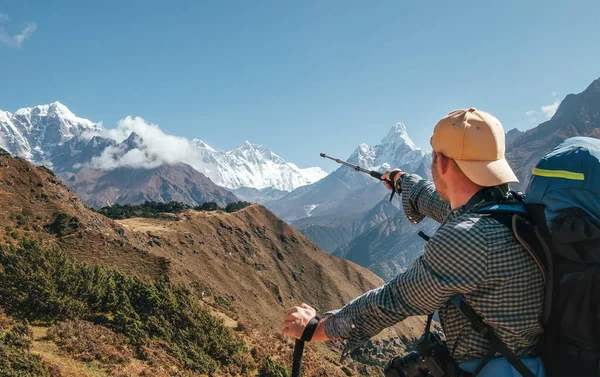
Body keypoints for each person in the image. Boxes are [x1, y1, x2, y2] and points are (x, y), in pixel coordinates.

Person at [281, 108, 546, 376]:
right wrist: (403, 182)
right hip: (526, 364)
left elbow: (394, 299)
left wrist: (318, 328)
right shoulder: (513, 209)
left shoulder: (468, 238)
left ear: (440, 162)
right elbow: (443, 204)